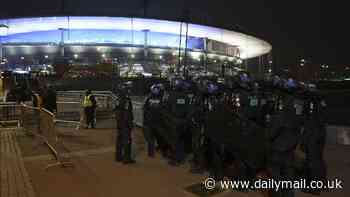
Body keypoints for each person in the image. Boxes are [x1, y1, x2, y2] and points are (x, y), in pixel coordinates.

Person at [115, 83, 135, 164]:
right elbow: (127, 113)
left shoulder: (117, 99)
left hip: (119, 122)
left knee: (119, 139)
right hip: (125, 123)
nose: (129, 91)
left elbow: (116, 111)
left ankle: (118, 156)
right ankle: (126, 158)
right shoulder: (126, 100)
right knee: (127, 140)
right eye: (127, 89)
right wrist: (129, 124)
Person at [143, 83, 164, 158]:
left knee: (159, 136)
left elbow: (163, 109)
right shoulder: (148, 98)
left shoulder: (161, 98)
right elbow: (145, 109)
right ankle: (151, 152)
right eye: (154, 89)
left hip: (158, 121)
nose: (156, 91)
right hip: (150, 121)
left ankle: (161, 150)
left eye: (157, 89)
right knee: (150, 137)